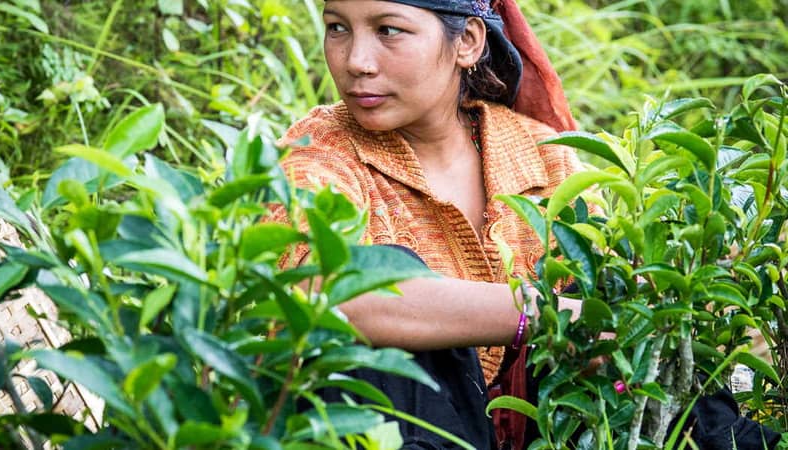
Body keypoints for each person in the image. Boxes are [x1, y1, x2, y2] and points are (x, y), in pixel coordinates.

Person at [268, 1, 781, 449]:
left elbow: (606, 324)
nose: (356, 60)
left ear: (467, 40)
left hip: (543, 427)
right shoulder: (320, 149)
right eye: (337, 27)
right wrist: (545, 313)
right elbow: (323, 293)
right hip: (407, 429)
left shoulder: (546, 158)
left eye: (388, 30)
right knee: (385, 276)